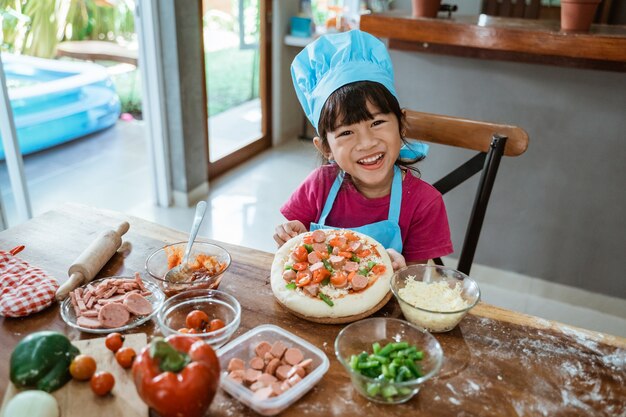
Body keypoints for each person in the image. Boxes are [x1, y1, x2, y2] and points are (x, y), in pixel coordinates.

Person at [274, 29, 453, 269]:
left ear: (401, 125)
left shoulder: (425, 203)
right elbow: (295, 251)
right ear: (326, 147)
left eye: (377, 123)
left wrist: (400, 272)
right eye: (346, 132)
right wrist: (292, 237)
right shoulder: (319, 186)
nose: (367, 143)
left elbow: (414, 280)